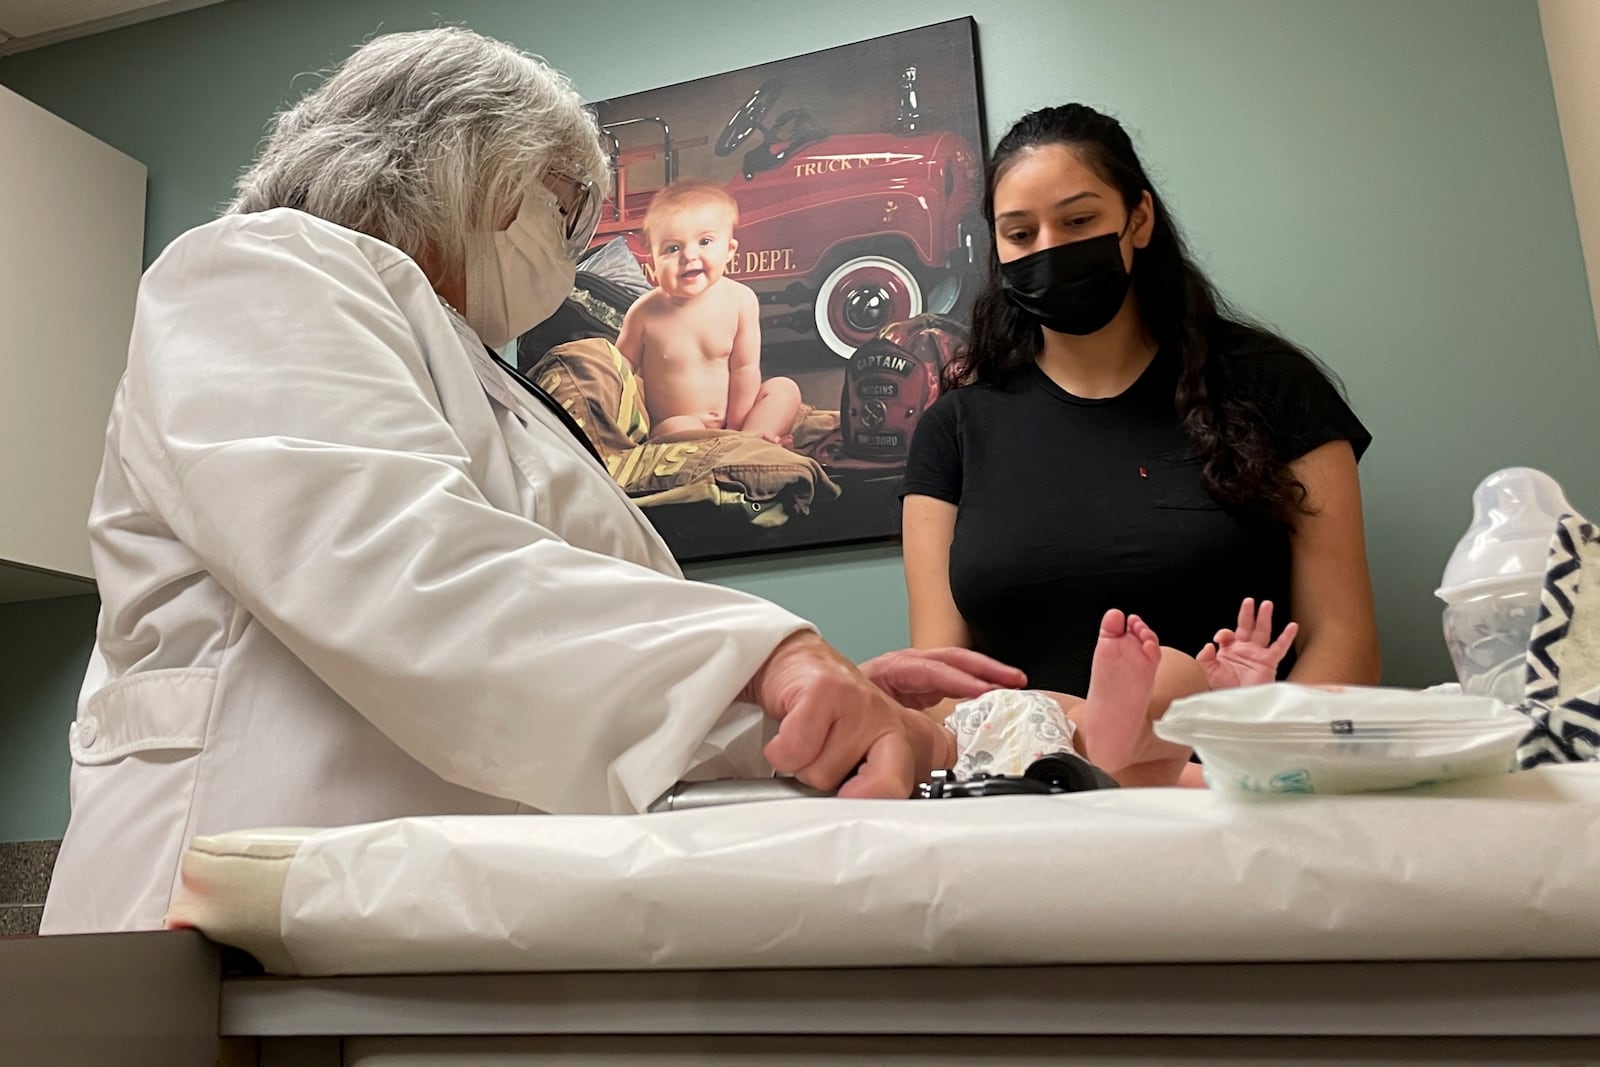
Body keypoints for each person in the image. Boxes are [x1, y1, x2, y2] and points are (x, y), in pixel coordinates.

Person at [41, 28, 1036, 935]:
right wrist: (775, 668)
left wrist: (818, 691)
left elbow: (580, 647)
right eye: (562, 208)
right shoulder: (253, 271)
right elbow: (408, 574)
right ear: (458, 166)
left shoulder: (474, 373)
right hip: (213, 919)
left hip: (402, 915)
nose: (568, 255)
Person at [902, 104, 1381, 783]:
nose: (1048, 248)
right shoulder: (952, 430)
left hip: (1242, 796)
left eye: (1077, 220)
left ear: (1139, 219)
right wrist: (1072, 742)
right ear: (998, 249)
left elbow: (1347, 644)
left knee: (1178, 680)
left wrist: (1248, 777)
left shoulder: (1273, 388)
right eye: (1020, 231)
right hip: (1027, 794)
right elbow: (940, 677)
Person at [616, 179, 801, 444]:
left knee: (785, 389)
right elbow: (619, 373)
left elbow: (745, 368)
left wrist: (739, 426)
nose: (689, 255)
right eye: (672, 248)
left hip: (737, 421)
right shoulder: (644, 314)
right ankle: (742, 447)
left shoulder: (740, 300)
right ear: (652, 261)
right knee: (677, 428)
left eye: (704, 241)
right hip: (679, 425)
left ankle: (752, 438)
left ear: (729, 251)